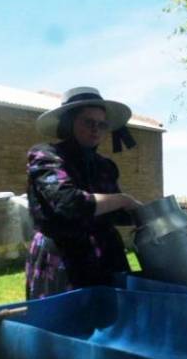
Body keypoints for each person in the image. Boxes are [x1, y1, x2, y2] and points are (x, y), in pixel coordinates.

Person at [25, 86, 142, 299]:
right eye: (88, 122)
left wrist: (148, 216)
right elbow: (68, 204)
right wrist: (122, 200)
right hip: (62, 256)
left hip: (106, 256)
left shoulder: (105, 166)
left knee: (111, 324)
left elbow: (112, 212)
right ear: (69, 123)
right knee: (65, 324)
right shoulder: (46, 156)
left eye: (101, 124)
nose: (96, 129)